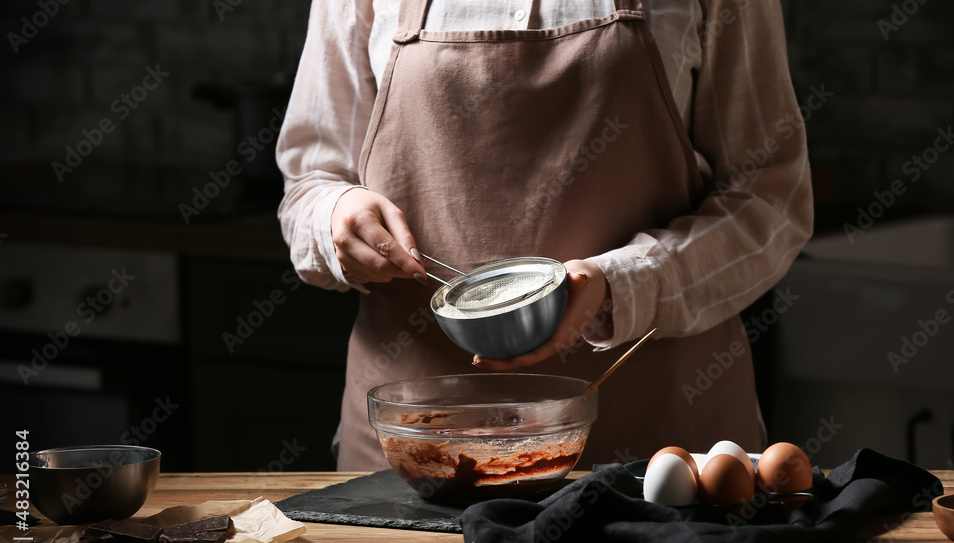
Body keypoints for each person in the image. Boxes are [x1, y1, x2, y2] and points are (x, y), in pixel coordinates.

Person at [276, 0, 813, 472]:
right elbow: (309, 185)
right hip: (415, 449)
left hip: (659, 448)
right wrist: (335, 216)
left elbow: (770, 201)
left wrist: (622, 282)